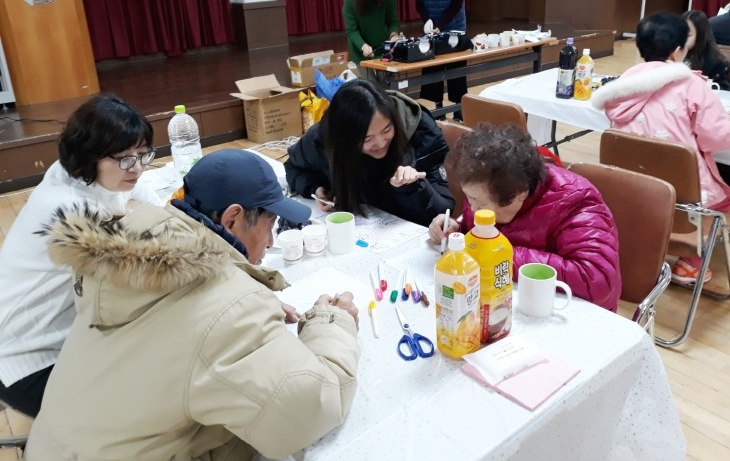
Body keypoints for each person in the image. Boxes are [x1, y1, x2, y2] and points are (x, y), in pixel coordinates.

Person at [25, 148, 361, 460]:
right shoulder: (227, 308)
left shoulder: (127, 258)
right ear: (232, 219)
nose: (271, 241)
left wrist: (245, 308)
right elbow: (309, 413)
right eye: (269, 225)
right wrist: (331, 323)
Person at [0, 95, 163, 418]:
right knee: (155, 398)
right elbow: (150, 264)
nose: (138, 167)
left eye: (143, 153)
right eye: (125, 158)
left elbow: (157, 212)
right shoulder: (70, 207)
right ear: (90, 155)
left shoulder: (86, 174)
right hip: (27, 363)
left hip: (56, 339)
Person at [592, 11, 730, 284]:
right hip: (682, 199)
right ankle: (690, 264)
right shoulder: (692, 84)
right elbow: (719, 139)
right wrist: (728, 124)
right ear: (677, 50)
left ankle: (644, 251)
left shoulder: (622, 85)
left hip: (633, 191)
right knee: (724, 201)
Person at [428, 124, 621, 312]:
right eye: (469, 197)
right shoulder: (484, 186)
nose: (473, 208)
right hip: (502, 295)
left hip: (564, 310)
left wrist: (501, 256)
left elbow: (596, 279)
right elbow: (480, 230)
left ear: (520, 195)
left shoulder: (576, 200)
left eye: (481, 203)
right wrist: (457, 229)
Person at [285, 78, 455, 227]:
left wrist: (415, 187)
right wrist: (316, 188)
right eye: (366, 139)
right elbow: (294, 167)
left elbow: (444, 211)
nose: (380, 143)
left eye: (387, 130)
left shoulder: (421, 134)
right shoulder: (324, 138)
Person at [415, 0, 468, 119]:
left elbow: (456, 6)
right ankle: (437, 108)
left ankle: (459, 107)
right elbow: (419, 4)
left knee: (456, 69)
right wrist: (427, 21)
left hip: (454, 27)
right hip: (431, 27)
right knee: (432, 66)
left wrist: (440, 25)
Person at [343, 0, 401, 68]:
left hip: (382, 49)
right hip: (361, 53)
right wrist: (363, 46)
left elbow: (393, 21)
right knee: (367, 79)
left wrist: (394, 35)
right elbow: (352, 30)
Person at [683, 9, 730, 90]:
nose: (682, 39)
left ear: (700, 35)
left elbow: (722, 89)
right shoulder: (671, 53)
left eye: (688, 35)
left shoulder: (715, 63)